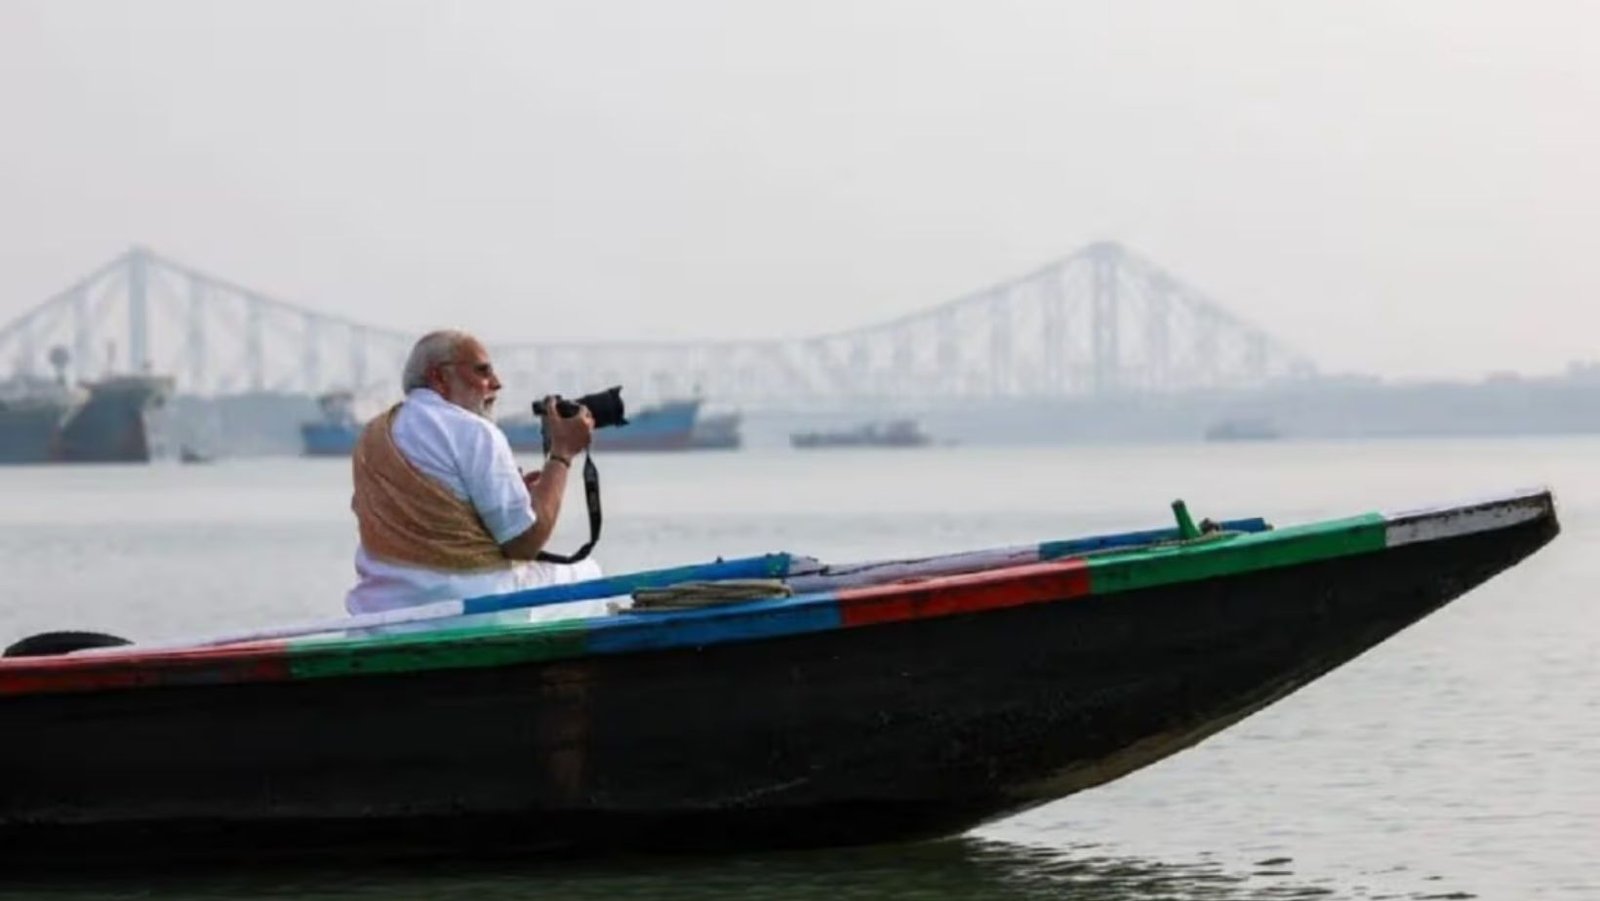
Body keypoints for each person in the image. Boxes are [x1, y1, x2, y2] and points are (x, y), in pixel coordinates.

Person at [345, 329, 612, 625]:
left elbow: (426, 515)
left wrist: (500, 497)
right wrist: (562, 454)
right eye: (482, 371)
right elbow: (523, 544)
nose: (496, 383)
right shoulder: (475, 431)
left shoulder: (373, 434)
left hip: (381, 611)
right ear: (439, 377)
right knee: (588, 574)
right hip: (472, 607)